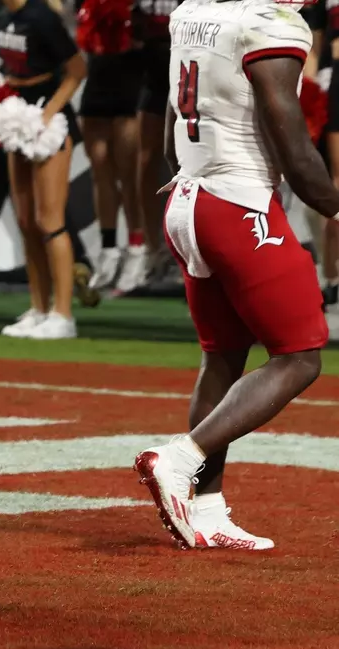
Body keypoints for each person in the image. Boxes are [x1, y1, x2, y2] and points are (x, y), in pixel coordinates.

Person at [134, 0, 334, 551]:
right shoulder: (269, 24)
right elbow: (294, 147)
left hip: (188, 199)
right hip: (237, 203)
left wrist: (181, 174)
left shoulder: (192, 11)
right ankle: (179, 458)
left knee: (222, 355)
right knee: (300, 355)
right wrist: (333, 203)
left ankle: (207, 509)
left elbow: (175, 112)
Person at [0, 0, 89, 340]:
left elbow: (77, 69)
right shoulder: (5, 17)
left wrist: (47, 116)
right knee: (26, 220)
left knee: (50, 220)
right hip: (18, 118)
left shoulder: (42, 16)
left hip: (51, 123)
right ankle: (39, 308)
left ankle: (63, 314)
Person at [120, 0, 181, 294]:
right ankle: (152, 248)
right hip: (152, 73)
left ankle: (187, 247)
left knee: (187, 162)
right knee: (145, 162)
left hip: (188, 66)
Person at [78, 45, 145, 291]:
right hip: (97, 81)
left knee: (129, 175)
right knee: (100, 171)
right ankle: (108, 250)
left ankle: (137, 249)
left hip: (132, 79)